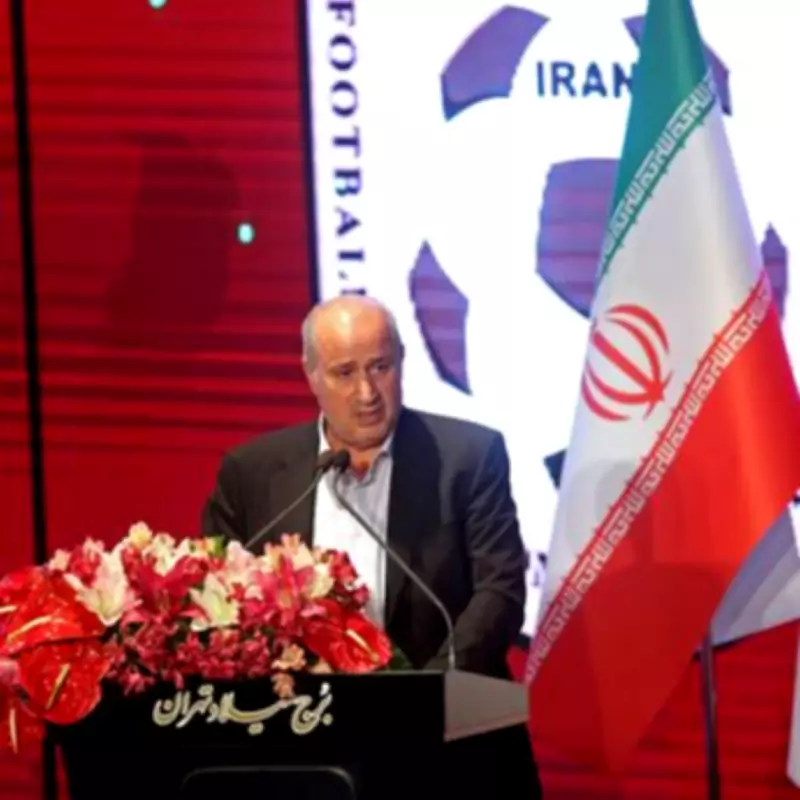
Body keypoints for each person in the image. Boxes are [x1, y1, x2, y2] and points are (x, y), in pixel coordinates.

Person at [202, 294, 541, 799]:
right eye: (344, 373)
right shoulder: (251, 474)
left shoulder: (468, 457)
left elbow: (500, 591)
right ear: (311, 375)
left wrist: (420, 699)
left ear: (402, 361)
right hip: (301, 750)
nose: (367, 393)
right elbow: (216, 602)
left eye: (381, 367)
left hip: (450, 744)